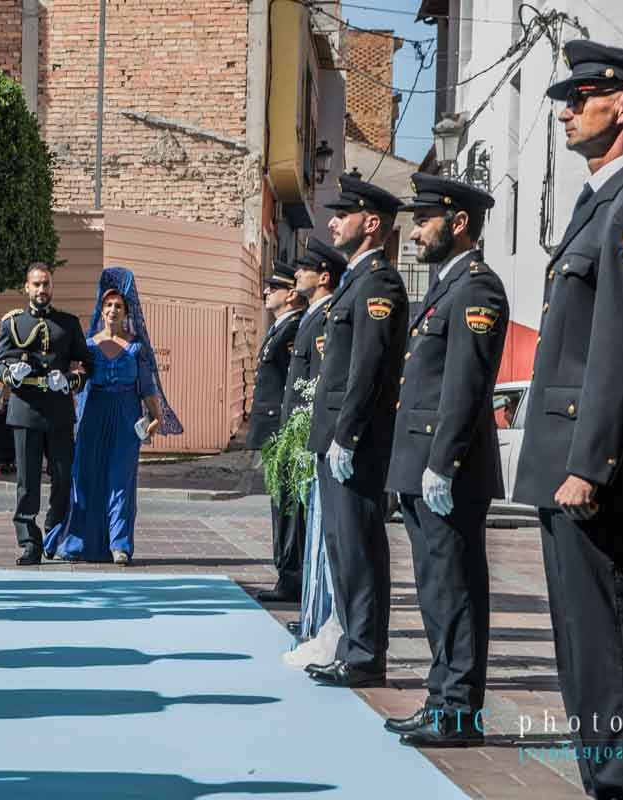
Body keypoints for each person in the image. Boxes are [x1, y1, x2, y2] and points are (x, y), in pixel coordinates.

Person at [513, 40, 623, 798]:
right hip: (563, 462)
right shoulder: (597, 201)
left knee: (611, 646)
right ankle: (607, 782)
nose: (568, 111)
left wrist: (588, 464)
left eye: (583, 96)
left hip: (588, 471)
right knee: (580, 647)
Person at [384, 174, 506, 747]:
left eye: (424, 220)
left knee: (454, 590)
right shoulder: (447, 285)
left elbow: (466, 384)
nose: (413, 232)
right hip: (422, 464)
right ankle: (440, 699)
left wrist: (444, 462)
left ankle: (458, 712)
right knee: (436, 590)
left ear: (458, 224)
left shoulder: (478, 288)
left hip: (446, 469)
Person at [305, 174, 408, 689]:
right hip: (334, 437)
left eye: (342, 215)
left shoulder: (380, 284)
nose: (332, 222)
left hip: (356, 441)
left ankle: (367, 653)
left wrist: (346, 436)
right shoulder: (355, 281)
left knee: (360, 545)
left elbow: (367, 368)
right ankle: (352, 644)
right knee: (341, 546)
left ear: (372, 224)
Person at [44, 266, 181, 564]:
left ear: (126, 311)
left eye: (118, 306)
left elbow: (147, 387)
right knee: (85, 477)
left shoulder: (136, 348)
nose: (113, 310)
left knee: (120, 480)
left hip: (126, 417)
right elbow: (74, 378)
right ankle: (78, 541)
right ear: (101, 309)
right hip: (92, 414)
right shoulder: (88, 346)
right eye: (108, 305)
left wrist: (155, 418)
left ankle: (119, 544)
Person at [0, 263, 93, 565]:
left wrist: (71, 380)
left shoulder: (68, 323)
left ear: (52, 287)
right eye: (36, 284)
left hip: (60, 412)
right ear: (26, 287)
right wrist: (10, 374)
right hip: (26, 411)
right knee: (27, 482)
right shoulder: (13, 323)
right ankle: (29, 543)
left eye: (46, 284)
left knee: (63, 479)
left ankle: (53, 534)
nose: (41, 290)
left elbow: (87, 365)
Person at [280, 237, 347, 653]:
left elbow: (320, 380)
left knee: (318, 533)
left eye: (303, 269)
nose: (296, 275)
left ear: (323, 276)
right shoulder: (310, 316)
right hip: (302, 430)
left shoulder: (324, 318)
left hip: (314, 432)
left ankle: (319, 617)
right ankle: (310, 615)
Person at [251, 263, 308, 601]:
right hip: (272, 428)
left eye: (273, 287)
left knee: (287, 505)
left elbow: (293, 386)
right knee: (280, 503)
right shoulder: (279, 328)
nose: (266, 292)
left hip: (282, 427)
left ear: (290, 294)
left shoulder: (295, 329)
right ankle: (285, 573)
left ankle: (290, 577)